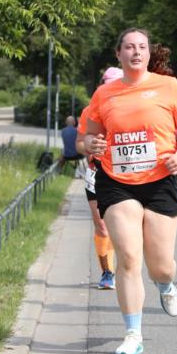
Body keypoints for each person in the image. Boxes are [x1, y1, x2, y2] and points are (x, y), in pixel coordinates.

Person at [84, 28, 177, 354]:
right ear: (118, 54)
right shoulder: (104, 94)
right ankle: (133, 333)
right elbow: (89, 138)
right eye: (129, 47)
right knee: (129, 257)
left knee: (160, 265)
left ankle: (165, 285)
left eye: (142, 47)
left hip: (161, 178)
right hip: (116, 181)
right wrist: (90, 144)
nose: (136, 52)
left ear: (149, 53)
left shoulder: (169, 86)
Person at [76, 67, 124, 290]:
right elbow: (79, 143)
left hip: (125, 174)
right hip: (96, 173)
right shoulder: (89, 111)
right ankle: (107, 272)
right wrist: (89, 146)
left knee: (122, 225)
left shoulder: (130, 109)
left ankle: (126, 264)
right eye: (107, 84)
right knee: (102, 226)